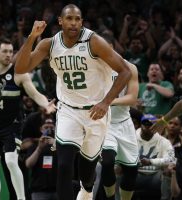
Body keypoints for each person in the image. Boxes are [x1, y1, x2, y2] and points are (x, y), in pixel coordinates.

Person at [15, 4, 131, 200]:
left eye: (77, 19)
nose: (74, 23)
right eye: (69, 18)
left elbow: (125, 71)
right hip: (68, 110)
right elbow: (21, 67)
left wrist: (105, 102)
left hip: (96, 112)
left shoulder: (94, 42)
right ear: (60, 21)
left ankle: (86, 189)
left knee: (86, 174)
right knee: (64, 165)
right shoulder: (49, 44)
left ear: (82, 22)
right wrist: (33, 37)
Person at [0, 37, 56, 200]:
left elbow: (34, 94)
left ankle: (21, 198)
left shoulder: (19, 74)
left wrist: (46, 104)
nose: (8, 55)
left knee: (11, 161)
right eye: (4, 51)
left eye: (11, 52)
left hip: (13, 125)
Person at [100, 34, 139, 200]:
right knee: (107, 162)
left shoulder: (129, 67)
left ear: (112, 47)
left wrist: (107, 101)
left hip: (124, 122)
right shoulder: (93, 69)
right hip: (104, 123)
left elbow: (132, 99)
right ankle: (109, 198)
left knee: (132, 169)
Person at [135, 114, 175, 200]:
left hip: (156, 176)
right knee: (118, 167)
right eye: (144, 123)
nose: (147, 126)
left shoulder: (164, 141)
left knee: (168, 169)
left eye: (150, 124)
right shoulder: (132, 138)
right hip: (135, 173)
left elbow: (172, 160)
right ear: (140, 125)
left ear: (156, 126)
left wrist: (151, 161)